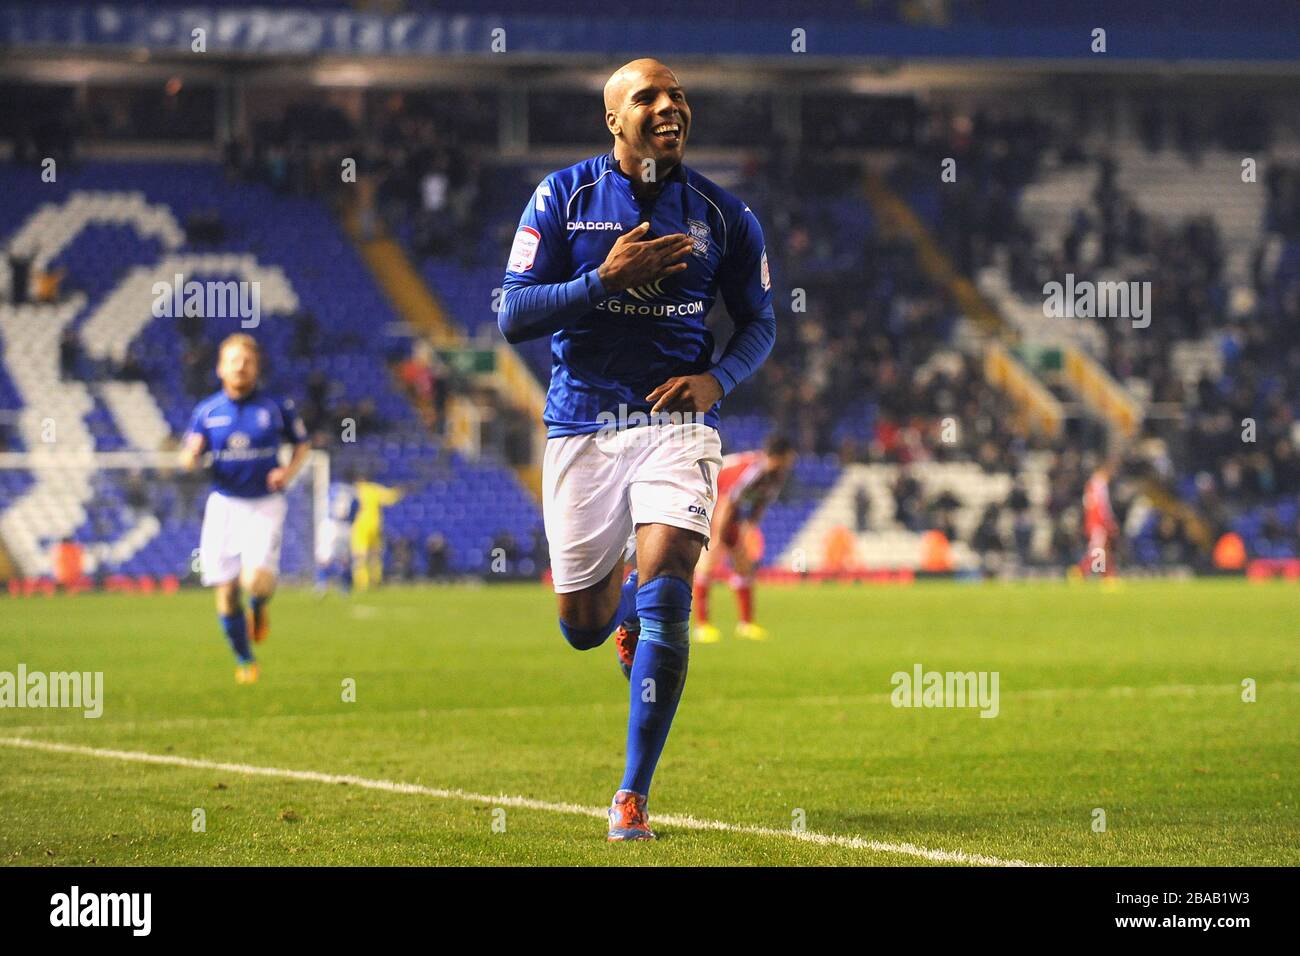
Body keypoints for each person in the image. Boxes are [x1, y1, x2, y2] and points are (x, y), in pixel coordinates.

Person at [498, 58, 775, 841]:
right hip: (583, 424)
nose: (667, 107)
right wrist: (601, 283)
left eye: (677, 95)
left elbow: (761, 321)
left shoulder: (722, 215)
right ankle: (616, 616)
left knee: (669, 591)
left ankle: (631, 797)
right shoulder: (563, 197)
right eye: (646, 97)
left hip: (675, 427)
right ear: (613, 121)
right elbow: (513, 315)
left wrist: (717, 380)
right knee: (583, 626)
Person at [180, 334, 309, 684]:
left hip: (264, 505)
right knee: (225, 587)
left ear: (256, 367)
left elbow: (302, 445)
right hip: (224, 504)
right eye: (234, 360)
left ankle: (260, 605)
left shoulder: (275, 407)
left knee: (254, 581)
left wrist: (289, 472)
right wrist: (190, 457)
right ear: (221, 368)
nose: (241, 366)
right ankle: (244, 659)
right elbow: (188, 454)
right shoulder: (206, 412)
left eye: (247, 361)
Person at [692, 434, 796, 643]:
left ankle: (746, 624)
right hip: (709, 498)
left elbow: (761, 502)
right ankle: (701, 626)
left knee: (743, 564)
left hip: (730, 507)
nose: (792, 460)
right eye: (789, 456)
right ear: (779, 456)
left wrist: (750, 526)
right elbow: (728, 501)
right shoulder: (755, 469)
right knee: (709, 561)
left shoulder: (777, 474)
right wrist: (718, 538)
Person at [351, 477, 403, 590]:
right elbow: (391, 497)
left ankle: (361, 583)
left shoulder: (356, 490)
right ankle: (375, 581)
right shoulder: (375, 489)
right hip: (375, 524)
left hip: (361, 525)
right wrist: (399, 491)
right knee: (374, 555)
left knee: (360, 556)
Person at [316, 473, 358, 594]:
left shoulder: (331, 488)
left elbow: (324, 505)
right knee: (344, 559)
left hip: (330, 524)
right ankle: (344, 588)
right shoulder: (354, 492)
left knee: (324, 557)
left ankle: (321, 585)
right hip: (345, 526)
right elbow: (356, 511)